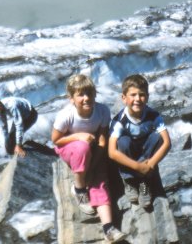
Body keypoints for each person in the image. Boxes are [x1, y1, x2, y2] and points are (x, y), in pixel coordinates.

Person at [51, 74, 127, 243]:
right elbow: (56, 140)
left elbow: (102, 140)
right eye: (80, 95)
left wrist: (93, 166)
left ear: (95, 94)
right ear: (71, 99)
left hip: (93, 149)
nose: (86, 98)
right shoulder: (66, 115)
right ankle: (79, 189)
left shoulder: (102, 111)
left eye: (89, 93)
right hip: (70, 148)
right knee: (82, 147)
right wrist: (78, 136)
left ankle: (109, 228)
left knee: (100, 182)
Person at [108, 74, 171, 208]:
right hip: (129, 154)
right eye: (133, 95)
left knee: (157, 136)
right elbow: (112, 152)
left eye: (142, 95)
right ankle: (129, 179)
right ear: (124, 98)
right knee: (123, 141)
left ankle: (144, 181)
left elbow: (167, 142)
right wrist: (138, 167)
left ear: (147, 97)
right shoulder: (120, 120)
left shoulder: (153, 115)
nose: (138, 99)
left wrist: (151, 164)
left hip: (145, 155)